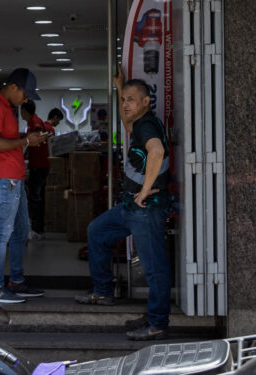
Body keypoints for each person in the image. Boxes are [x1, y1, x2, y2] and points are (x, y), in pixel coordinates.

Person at [75, 68, 172, 341]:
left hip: (146, 209)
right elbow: (127, 124)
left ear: (145, 102)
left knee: (154, 268)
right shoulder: (139, 123)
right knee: (97, 232)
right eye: (125, 99)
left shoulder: (149, 125)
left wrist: (143, 191)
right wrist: (120, 89)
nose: (126, 104)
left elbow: (157, 150)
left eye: (131, 99)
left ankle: (158, 324)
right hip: (130, 208)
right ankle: (104, 292)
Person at [0, 68, 49, 303]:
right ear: (13, 87)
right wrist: (25, 140)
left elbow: (6, 139)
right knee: (2, 234)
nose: (26, 99)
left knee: (21, 232)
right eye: (25, 94)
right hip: (4, 180)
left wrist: (28, 138)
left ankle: (17, 281)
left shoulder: (8, 108)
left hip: (14, 179)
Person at [23, 104, 63, 240]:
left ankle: (36, 229)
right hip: (42, 164)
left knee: (34, 199)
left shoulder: (35, 122)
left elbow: (37, 135)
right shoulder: (39, 121)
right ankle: (39, 228)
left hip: (38, 165)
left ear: (24, 111)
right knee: (38, 198)